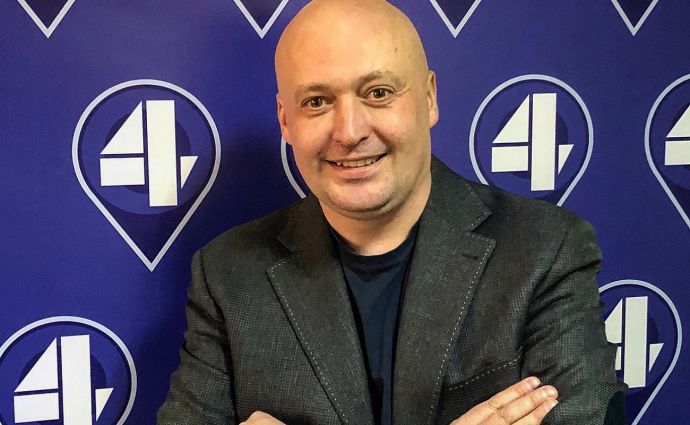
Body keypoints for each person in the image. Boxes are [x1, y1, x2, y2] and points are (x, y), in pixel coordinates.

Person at [158, 0, 626, 424]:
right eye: (317, 102)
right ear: (286, 120)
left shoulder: (545, 249)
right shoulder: (227, 274)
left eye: (378, 92)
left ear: (429, 98)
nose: (349, 132)